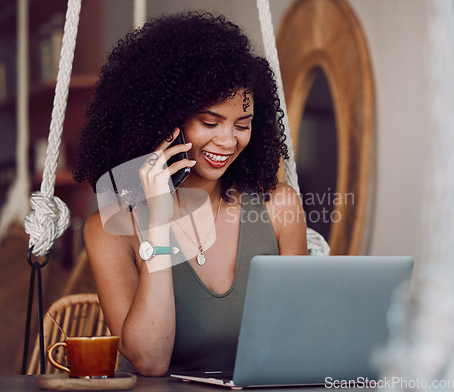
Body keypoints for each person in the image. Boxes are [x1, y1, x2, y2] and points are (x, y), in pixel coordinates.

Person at [73, 12, 308, 376]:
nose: (228, 141)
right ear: (162, 119)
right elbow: (150, 360)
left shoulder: (278, 205)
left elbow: (298, 339)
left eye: (242, 125)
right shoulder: (108, 229)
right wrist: (158, 219)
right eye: (210, 123)